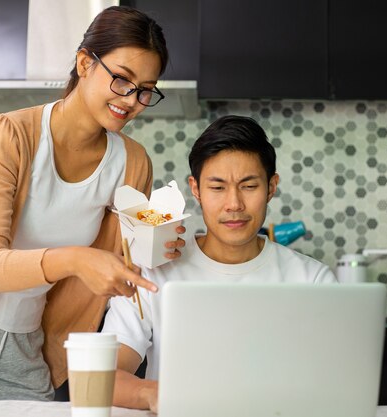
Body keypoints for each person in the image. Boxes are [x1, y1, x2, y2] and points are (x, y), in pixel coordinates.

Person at [0, 6, 185, 400]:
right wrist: (75, 259)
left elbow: (127, 257)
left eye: (146, 89)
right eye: (122, 80)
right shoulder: (11, 134)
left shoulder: (133, 162)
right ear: (84, 62)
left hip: (26, 344)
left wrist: (157, 246)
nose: (132, 101)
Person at [102, 115, 338, 412]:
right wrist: (154, 395)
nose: (234, 204)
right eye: (217, 188)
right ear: (196, 189)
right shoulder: (153, 272)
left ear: (272, 187)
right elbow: (104, 377)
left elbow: (337, 381)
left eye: (249, 186)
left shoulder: (313, 280)